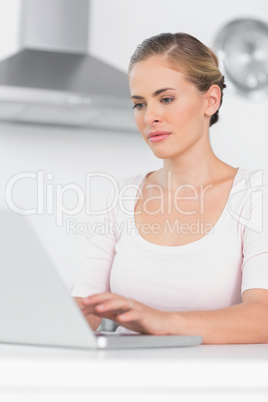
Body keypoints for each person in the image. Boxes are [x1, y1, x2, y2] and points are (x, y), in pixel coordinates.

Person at [71, 33, 268, 344]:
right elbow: (87, 306)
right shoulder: (122, 197)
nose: (150, 117)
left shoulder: (255, 195)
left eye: (166, 99)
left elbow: (263, 318)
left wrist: (162, 322)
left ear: (210, 100)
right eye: (139, 103)